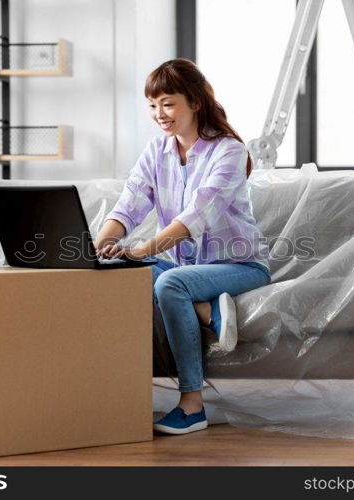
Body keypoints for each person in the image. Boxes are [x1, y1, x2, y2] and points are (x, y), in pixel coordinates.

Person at [94, 58, 270, 435]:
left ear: (195, 102)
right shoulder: (157, 151)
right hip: (182, 268)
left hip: (239, 266)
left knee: (169, 283)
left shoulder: (229, 152)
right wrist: (100, 245)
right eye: (153, 105)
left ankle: (192, 407)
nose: (159, 114)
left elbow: (197, 215)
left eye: (168, 103)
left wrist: (143, 250)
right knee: (123, 269)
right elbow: (129, 204)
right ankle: (209, 310)